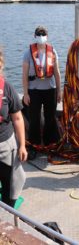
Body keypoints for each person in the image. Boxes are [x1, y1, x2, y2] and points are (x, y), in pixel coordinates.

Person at [22, 26, 61, 156]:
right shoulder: (28, 53)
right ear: (34, 36)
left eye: (43, 34)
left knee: (51, 117)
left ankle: (51, 144)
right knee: (35, 119)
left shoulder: (52, 51)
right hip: (34, 91)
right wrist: (26, 93)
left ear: (47, 36)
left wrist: (59, 92)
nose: (41, 36)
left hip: (50, 90)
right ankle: (34, 146)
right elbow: (24, 74)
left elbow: (57, 73)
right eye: (39, 34)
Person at [0, 48, 27, 207]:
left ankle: (8, 210)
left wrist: (22, 145)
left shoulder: (7, 89)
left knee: (14, 181)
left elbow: (17, 118)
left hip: (6, 146)